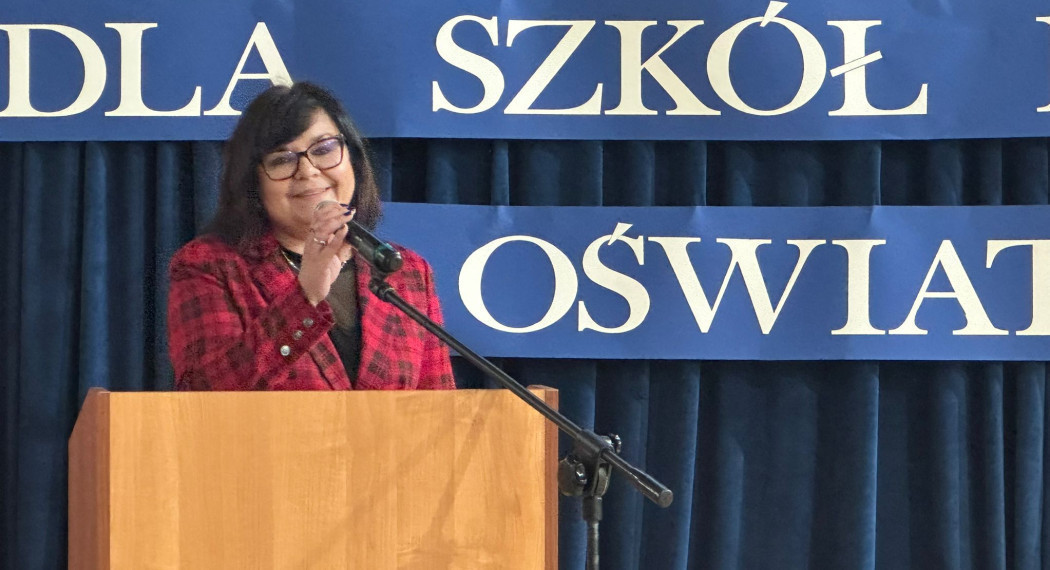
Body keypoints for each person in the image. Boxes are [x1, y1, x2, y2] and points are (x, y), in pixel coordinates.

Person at [167, 82, 455, 391]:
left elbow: (437, 406)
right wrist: (304, 296)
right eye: (282, 159)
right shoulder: (211, 266)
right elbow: (202, 397)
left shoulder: (406, 272)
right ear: (253, 183)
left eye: (324, 149)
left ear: (353, 158)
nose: (308, 171)